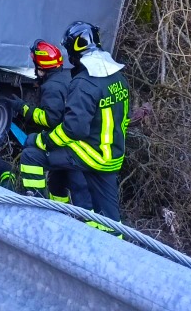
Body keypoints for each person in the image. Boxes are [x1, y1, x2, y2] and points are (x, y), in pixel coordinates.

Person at [18, 22, 129, 233]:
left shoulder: (84, 83)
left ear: (73, 50)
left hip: (91, 155)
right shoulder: (118, 78)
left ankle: (38, 214)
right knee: (111, 219)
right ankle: (112, 245)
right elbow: (124, 118)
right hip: (112, 158)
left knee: (32, 154)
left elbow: (73, 130)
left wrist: (42, 140)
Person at [9, 39, 89, 206]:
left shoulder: (51, 87)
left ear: (42, 66)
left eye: (35, 63)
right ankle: (61, 208)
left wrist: (24, 109)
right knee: (58, 181)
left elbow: (50, 119)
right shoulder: (65, 76)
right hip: (76, 143)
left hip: (63, 142)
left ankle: (35, 200)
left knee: (30, 155)